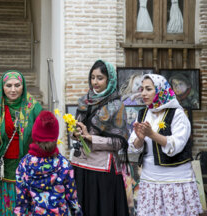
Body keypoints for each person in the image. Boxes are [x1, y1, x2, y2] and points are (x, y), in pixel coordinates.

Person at [128, 74, 203, 215]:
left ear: (160, 90)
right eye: (142, 88)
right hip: (150, 181)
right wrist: (140, 138)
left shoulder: (178, 114)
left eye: (148, 89)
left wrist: (152, 134)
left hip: (175, 182)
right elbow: (133, 146)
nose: (143, 93)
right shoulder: (143, 114)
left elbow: (176, 145)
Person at [70, 60, 129, 216]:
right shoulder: (84, 101)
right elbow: (77, 132)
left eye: (100, 78)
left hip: (102, 170)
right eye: (93, 77)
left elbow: (119, 142)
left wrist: (91, 138)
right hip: (80, 166)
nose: (95, 82)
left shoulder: (117, 106)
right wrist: (76, 133)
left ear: (110, 80)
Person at [0, 70, 42, 216]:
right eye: (8, 85)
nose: (13, 90)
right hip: (2, 170)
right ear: (2, 87)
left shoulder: (34, 108)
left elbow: (42, 137)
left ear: (24, 86)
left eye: (17, 85)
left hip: (27, 169)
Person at [14, 111, 82, 216]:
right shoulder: (64, 164)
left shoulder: (24, 164)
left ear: (35, 134)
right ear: (55, 136)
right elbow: (73, 200)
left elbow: (21, 202)